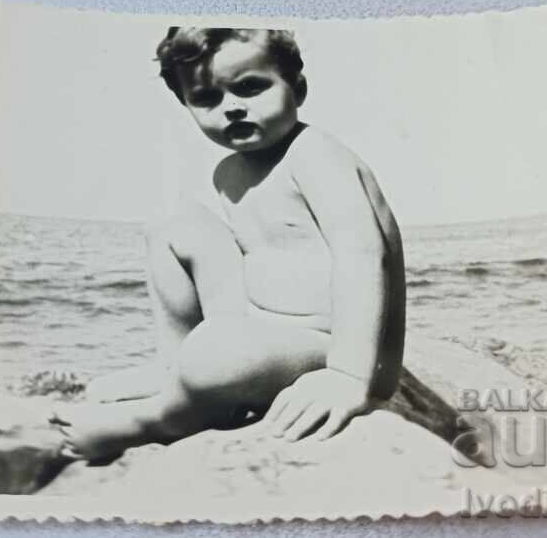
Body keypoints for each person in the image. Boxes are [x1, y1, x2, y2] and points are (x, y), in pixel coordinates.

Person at [51, 27, 405, 461]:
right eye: (207, 98)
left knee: (217, 352)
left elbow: (365, 253)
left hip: (330, 344)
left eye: (250, 87)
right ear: (185, 106)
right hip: (262, 338)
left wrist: (348, 375)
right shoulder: (227, 174)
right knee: (173, 224)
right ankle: (177, 368)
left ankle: (162, 419)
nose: (232, 107)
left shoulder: (316, 154)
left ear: (298, 87)